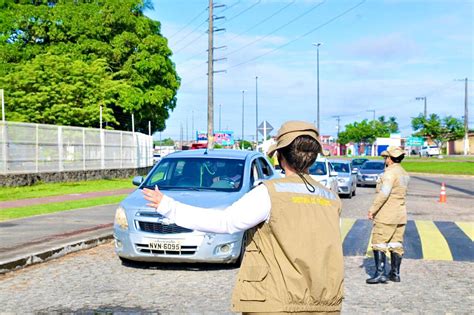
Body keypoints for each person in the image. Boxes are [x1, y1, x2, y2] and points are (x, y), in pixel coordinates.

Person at [143, 121, 344, 314]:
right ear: (313, 157)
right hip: (324, 302)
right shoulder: (331, 198)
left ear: (280, 156)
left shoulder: (269, 193)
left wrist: (168, 207)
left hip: (276, 301)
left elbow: (225, 222)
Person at [366, 146, 409, 284]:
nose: (385, 160)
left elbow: (384, 194)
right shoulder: (404, 173)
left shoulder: (389, 174)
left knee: (379, 242)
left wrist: (372, 209)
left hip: (386, 214)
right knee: (396, 243)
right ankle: (395, 273)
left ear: (389, 159)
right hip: (400, 214)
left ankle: (380, 274)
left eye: (386, 157)